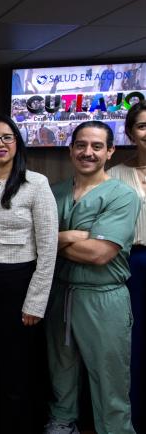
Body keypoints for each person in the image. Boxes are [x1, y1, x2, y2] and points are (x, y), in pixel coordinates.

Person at [0, 114, 58, 433]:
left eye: (7, 137)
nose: (0, 144)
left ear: (17, 143)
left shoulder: (37, 184)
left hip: (17, 284)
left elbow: (48, 249)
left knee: (15, 364)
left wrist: (35, 303)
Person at [45, 120, 139, 434]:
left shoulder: (122, 196)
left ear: (110, 151)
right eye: (81, 145)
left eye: (97, 146)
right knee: (60, 374)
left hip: (103, 298)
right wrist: (69, 237)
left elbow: (99, 254)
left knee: (110, 381)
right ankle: (62, 424)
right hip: (60, 294)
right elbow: (34, 243)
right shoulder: (54, 193)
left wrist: (52, 241)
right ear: (70, 149)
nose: (88, 152)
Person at [106, 101, 146, 434]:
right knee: (132, 343)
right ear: (131, 133)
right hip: (132, 264)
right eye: (142, 126)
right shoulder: (115, 175)